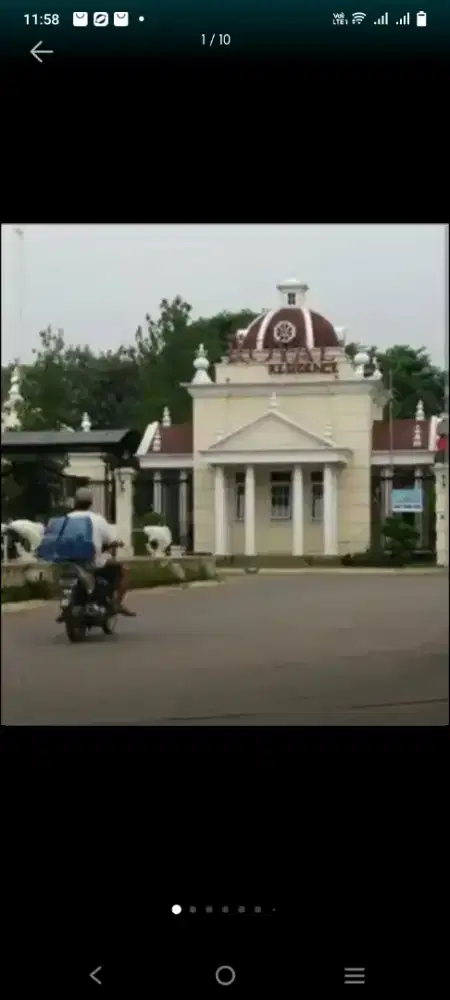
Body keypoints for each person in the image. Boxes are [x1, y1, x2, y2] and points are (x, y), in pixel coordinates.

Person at [56, 486, 135, 620]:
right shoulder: (98, 519)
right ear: (91, 503)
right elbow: (112, 539)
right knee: (125, 570)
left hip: (69, 561)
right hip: (92, 563)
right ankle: (116, 604)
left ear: (75, 502)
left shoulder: (65, 519)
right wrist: (116, 542)